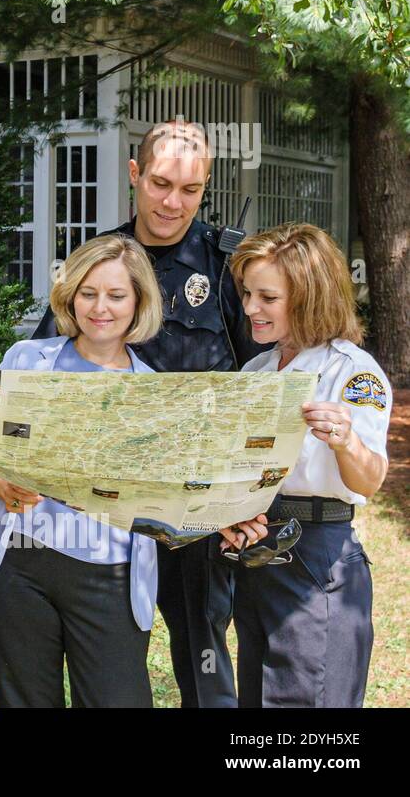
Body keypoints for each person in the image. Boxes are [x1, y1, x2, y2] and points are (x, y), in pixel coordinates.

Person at [32, 118, 267, 707]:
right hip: (104, 507)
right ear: (134, 174)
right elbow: (44, 368)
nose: (172, 202)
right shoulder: (100, 259)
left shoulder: (226, 266)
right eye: (161, 183)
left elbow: (264, 380)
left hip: (194, 508)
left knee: (203, 658)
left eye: (190, 190)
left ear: (207, 184)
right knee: (110, 664)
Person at [0, 234, 163, 706]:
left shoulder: (154, 393)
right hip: (19, 567)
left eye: (117, 295)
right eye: (88, 292)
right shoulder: (25, 360)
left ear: (138, 302)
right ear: (70, 295)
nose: (101, 307)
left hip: (110, 576)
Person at [229, 223, 391, 707]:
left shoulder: (353, 372)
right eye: (246, 293)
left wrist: (346, 443)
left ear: (309, 297)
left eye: (267, 297)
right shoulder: (255, 371)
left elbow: (371, 480)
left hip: (317, 557)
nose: (250, 308)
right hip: (258, 553)